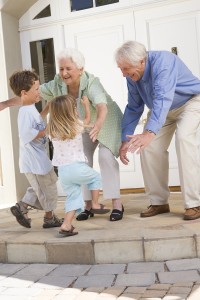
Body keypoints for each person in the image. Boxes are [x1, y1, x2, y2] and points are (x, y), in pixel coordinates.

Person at [0, 48, 124, 221]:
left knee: (105, 157)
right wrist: (5, 104)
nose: (64, 73)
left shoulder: (92, 82)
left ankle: (117, 204)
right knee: (81, 160)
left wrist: (98, 124)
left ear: (80, 69)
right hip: (82, 126)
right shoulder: (57, 83)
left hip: (106, 122)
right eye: (61, 69)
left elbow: (102, 106)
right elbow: (31, 94)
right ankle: (87, 205)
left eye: (68, 69)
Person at [115, 40, 200, 220]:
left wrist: (149, 133)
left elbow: (163, 97)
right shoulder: (132, 76)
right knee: (149, 147)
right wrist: (124, 139)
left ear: (142, 62)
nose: (123, 74)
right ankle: (159, 202)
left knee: (184, 139)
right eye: (121, 69)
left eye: (126, 68)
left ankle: (195, 203)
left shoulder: (164, 62)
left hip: (190, 102)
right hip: (162, 110)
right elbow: (134, 106)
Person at [9, 70, 63, 229]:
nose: (39, 91)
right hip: (35, 161)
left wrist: (47, 108)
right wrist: (50, 129)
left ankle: (24, 207)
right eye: (37, 89)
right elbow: (28, 134)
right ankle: (48, 217)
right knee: (49, 189)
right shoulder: (25, 112)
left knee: (46, 186)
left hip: (39, 159)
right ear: (24, 93)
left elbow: (36, 123)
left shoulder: (30, 108)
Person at [47, 94, 104, 236]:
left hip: (63, 172)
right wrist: (86, 105)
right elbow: (87, 120)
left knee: (74, 197)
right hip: (76, 167)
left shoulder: (52, 130)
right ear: (71, 111)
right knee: (95, 178)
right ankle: (95, 204)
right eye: (74, 107)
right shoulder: (76, 125)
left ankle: (66, 225)